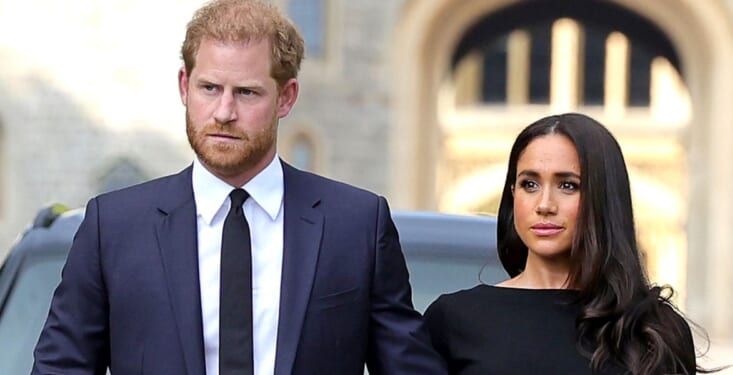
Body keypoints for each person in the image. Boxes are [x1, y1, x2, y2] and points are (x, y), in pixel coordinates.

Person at [31, 1, 447, 374]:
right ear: (184, 86)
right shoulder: (113, 227)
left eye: (247, 93)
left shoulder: (356, 226)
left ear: (286, 97)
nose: (224, 112)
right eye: (209, 88)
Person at [424, 113, 714, 374]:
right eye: (530, 184)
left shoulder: (653, 329)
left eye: (568, 186)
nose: (545, 204)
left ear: (603, 199)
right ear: (513, 195)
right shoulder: (453, 319)